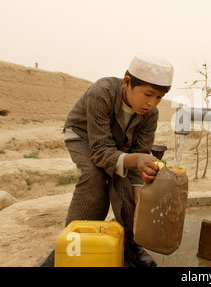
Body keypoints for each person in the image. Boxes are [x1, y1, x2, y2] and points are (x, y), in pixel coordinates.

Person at [41, 53, 173, 267]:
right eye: (148, 94)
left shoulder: (151, 114)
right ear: (127, 82)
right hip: (84, 135)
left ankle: (130, 244)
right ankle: (69, 247)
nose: (152, 102)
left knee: (126, 186)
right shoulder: (101, 93)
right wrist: (137, 159)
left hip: (120, 148)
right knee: (93, 176)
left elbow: (138, 157)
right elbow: (101, 150)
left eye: (159, 97)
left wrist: (139, 198)